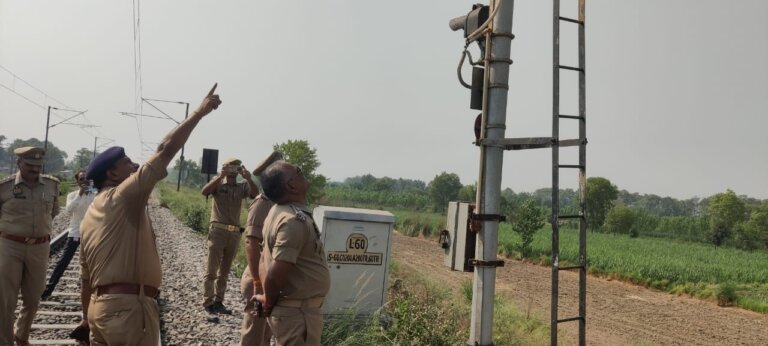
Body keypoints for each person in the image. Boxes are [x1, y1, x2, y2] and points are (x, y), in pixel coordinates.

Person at [78, 84, 221, 345]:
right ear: (112, 174)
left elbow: (86, 279)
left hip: (99, 311)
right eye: (128, 164)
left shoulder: (91, 214)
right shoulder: (122, 196)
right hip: (128, 312)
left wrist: (87, 321)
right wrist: (199, 113)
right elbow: (165, 148)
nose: (135, 167)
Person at [255, 161, 330, 346]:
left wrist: (267, 298)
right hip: (298, 316)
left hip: (296, 313)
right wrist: (268, 302)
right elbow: (275, 273)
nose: (302, 173)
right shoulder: (292, 221)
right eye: (298, 171)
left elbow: (264, 258)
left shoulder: (277, 212)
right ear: (291, 185)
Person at [0, 146, 60, 346]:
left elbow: (53, 212)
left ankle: (22, 335)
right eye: (30, 165)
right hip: (9, 246)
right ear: (18, 163)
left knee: (34, 296)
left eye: (38, 165)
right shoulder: (5, 187)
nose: (35, 169)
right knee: (6, 300)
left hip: (39, 247)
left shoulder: (51, 185)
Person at [201, 156, 258, 314]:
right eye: (231, 168)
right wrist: (220, 176)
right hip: (218, 230)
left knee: (225, 272)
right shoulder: (218, 183)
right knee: (212, 270)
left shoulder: (242, 186)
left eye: (237, 169)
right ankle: (208, 302)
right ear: (225, 168)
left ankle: (219, 301)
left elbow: (255, 195)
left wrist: (249, 178)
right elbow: (204, 191)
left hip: (234, 233)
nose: (233, 172)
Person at [239, 151, 282, 346]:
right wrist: (257, 281)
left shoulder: (277, 205)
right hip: (258, 279)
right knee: (254, 335)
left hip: (268, 280)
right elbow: (251, 242)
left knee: (265, 335)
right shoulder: (262, 203)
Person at [42, 170, 95, 299]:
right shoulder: (72, 195)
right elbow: (68, 210)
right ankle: (49, 289)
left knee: (94, 263)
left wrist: (88, 193)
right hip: (76, 232)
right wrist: (80, 195)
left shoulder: (95, 194)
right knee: (63, 261)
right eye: (81, 179)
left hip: (92, 233)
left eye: (86, 178)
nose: (84, 181)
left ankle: (96, 292)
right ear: (77, 181)